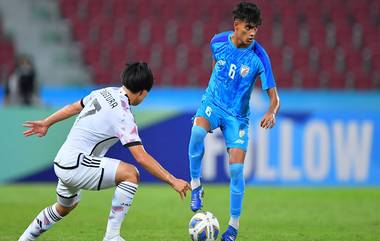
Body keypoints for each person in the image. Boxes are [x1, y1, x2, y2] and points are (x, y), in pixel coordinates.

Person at [18, 62, 190, 241]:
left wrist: (47, 122)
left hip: (62, 160)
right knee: (131, 174)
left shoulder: (103, 92)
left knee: (64, 207)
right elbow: (141, 156)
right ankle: (112, 236)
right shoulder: (124, 114)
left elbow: (73, 108)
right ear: (142, 92)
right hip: (76, 164)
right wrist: (172, 180)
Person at [188, 2, 280, 241]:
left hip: (237, 117)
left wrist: (271, 113)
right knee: (197, 134)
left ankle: (233, 227)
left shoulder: (259, 57)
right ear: (236, 25)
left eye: (255, 29)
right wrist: (209, 98)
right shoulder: (217, 42)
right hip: (213, 103)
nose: (252, 33)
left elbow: (274, 97)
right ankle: (196, 185)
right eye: (248, 27)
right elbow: (216, 67)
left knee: (237, 170)